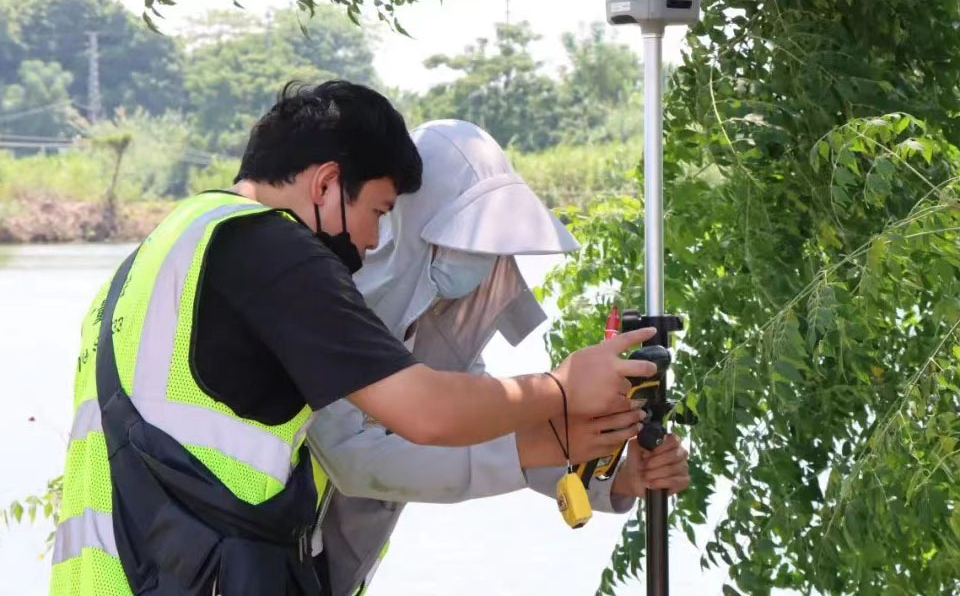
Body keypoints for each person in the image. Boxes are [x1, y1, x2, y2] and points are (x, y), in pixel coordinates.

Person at [50, 82, 658, 596]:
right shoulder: (273, 252)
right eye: (377, 211)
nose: (370, 240)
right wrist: (559, 387)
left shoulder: (166, 250)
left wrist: (602, 475)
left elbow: (473, 405)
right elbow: (423, 415)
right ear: (325, 185)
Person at [308, 119, 690, 596]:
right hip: (264, 560)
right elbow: (355, 459)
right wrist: (555, 405)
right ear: (407, 221)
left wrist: (613, 474)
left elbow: (485, 419)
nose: (481, 260)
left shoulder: (439, 323)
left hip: (333, 575)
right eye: (467, 242)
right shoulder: (329, 309)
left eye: (490, 247)